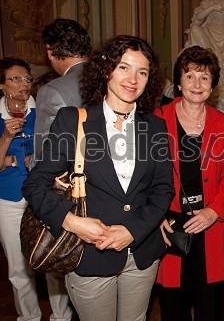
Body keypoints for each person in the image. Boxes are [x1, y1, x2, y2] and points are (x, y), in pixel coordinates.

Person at [22, 35, 174, 321]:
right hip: (90, 253)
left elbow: (163, 189)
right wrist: (72, 222)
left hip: (141, 253)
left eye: (142, 71)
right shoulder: (73, 120)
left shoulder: (154, 126)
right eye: (124, 67)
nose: (133, 79)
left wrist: (133, 230)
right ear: (106, 70)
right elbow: (35, 184)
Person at [154, 45, 224, 321]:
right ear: (178, 81)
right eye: (189, 76)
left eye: (204, 77)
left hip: (210, 226)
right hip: (170, 226)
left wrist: (213, 211)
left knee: (209, 308)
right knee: (173, 306)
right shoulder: (157, 119)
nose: (197, 84)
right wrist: (156, 216)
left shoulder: (222, 122)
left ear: (213, 85)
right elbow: (144, 177)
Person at [0, 58, 40, 320]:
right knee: (18, 268)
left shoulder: (45, 109)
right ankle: (29, 317)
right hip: (9, 199)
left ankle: (61, 317)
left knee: (52, 260)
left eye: (27, 78)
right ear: (2, 86)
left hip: (43, 196)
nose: (24, 84)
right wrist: (6, 138)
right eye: (16, 79)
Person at [34, 18, 92, 160]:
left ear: (50, 52)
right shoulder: (112, 77)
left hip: (77, 177)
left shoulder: (52, 91)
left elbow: (46, 155)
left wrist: (30, 162)